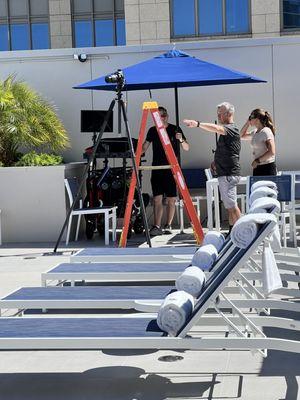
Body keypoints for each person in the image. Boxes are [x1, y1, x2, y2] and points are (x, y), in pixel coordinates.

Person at [183, 102, 241, 232]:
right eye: (218, 114)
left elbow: (217, 129)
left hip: (229, 174)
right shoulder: (228, 130)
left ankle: (244, 232)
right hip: (225, 173)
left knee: (232, 206)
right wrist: (216, 160)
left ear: (229, 114)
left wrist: (197, 124)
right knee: (229, 206)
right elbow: (228, 150)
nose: (218, 116)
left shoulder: (231, 128)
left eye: (220, 114)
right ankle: (233, 232)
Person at [142, 106, 189, 236]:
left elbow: (186, 147)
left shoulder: (175, 129)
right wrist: (137, 152)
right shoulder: (153, 130)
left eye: (164, 115)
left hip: (172, 169)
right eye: (160, 115)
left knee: (171, 199)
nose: (163, 117)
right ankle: (156, 226)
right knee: (157, 199)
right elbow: (144, 147)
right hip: (157, 168)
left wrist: (181, 139)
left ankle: (168, 225)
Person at [240, 108, 277, 176]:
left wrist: (257, 161)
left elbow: (272, 152)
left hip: (267, 167)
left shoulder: (266, 131)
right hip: (258, 167)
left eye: (250, 117)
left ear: (257, 119)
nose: (249, 119)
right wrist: (247, 123)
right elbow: (241, 136)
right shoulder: (255, 132)